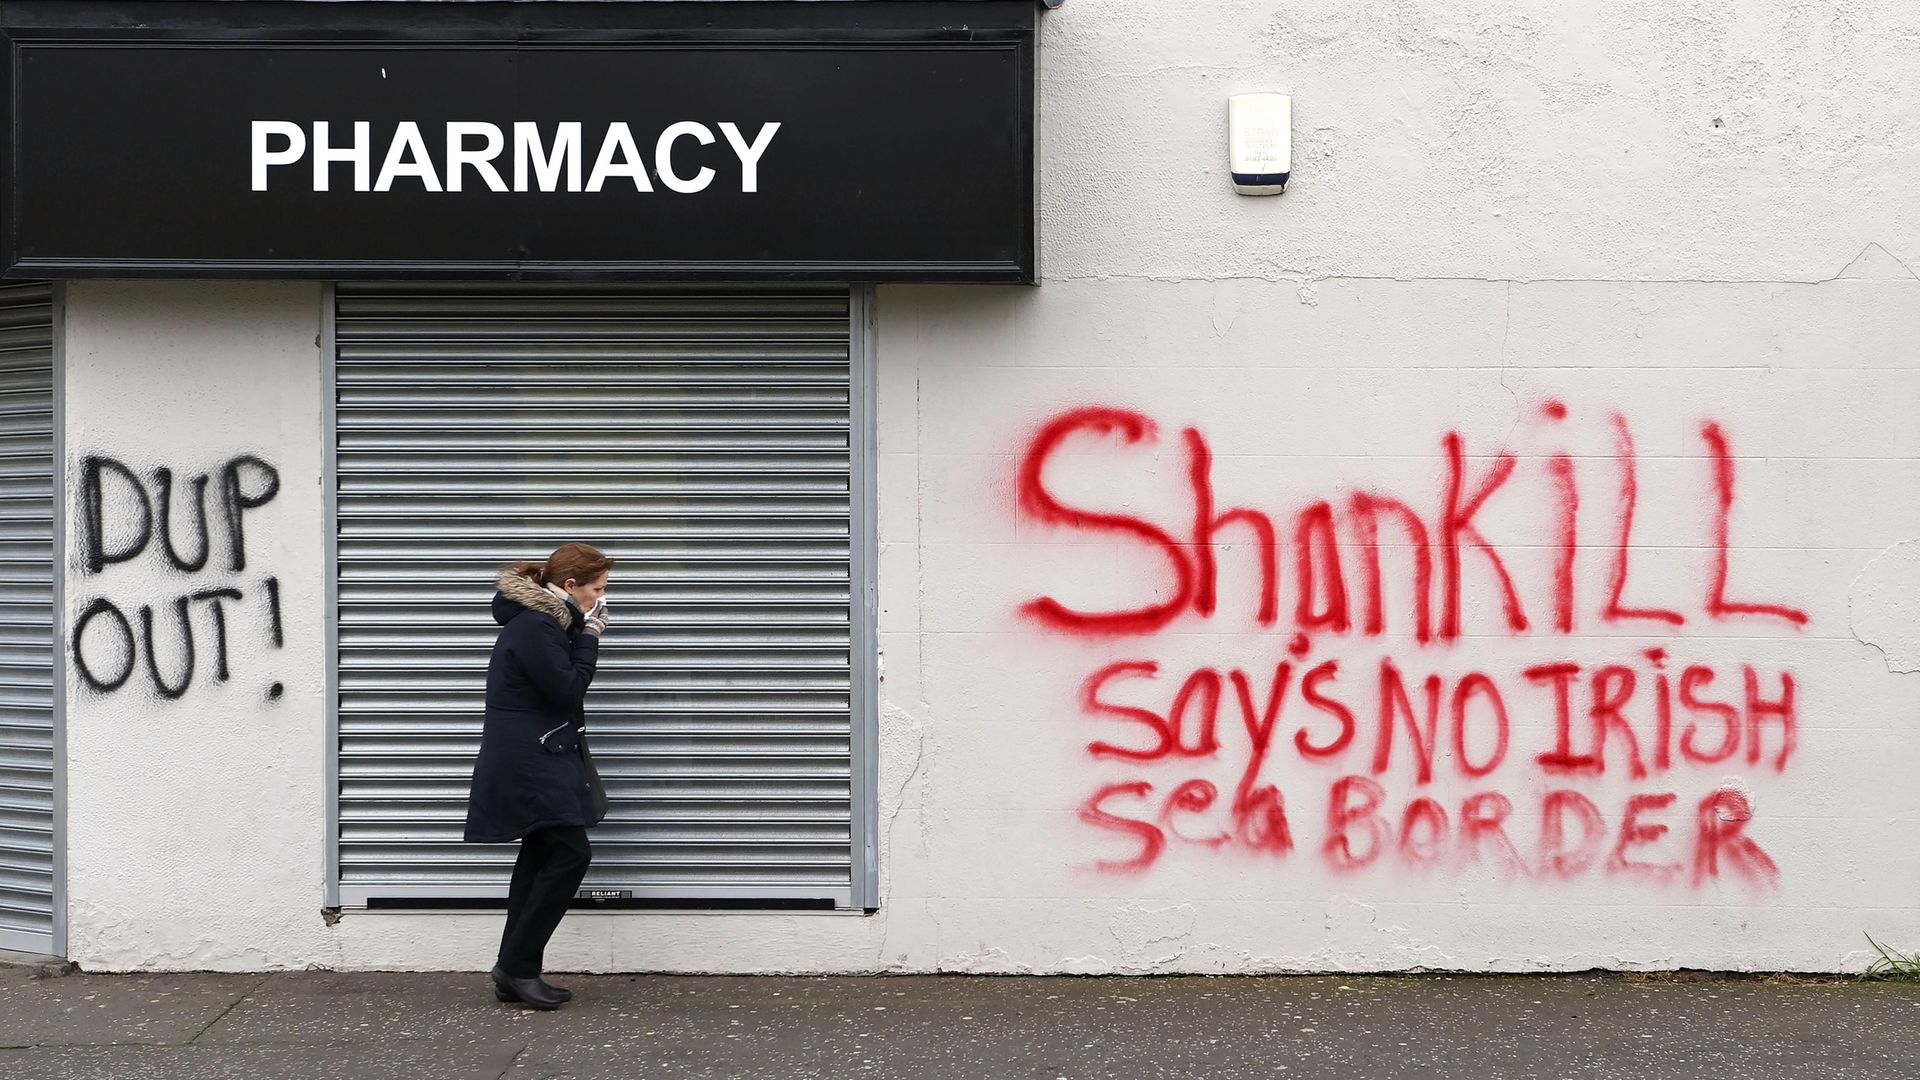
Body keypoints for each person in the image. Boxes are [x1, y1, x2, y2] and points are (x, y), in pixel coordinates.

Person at [464, 542, 614, 1009]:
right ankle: (517, 967)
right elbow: (566, 689)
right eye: (597, 590)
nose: (601, 600)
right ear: (570, 586)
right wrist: (589, 636)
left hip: (538, 755)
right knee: (571, 854)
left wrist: (578, 632)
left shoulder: (543, 624)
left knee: (537, 860)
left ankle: (514, 970)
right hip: (530, 761)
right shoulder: (535, 626)